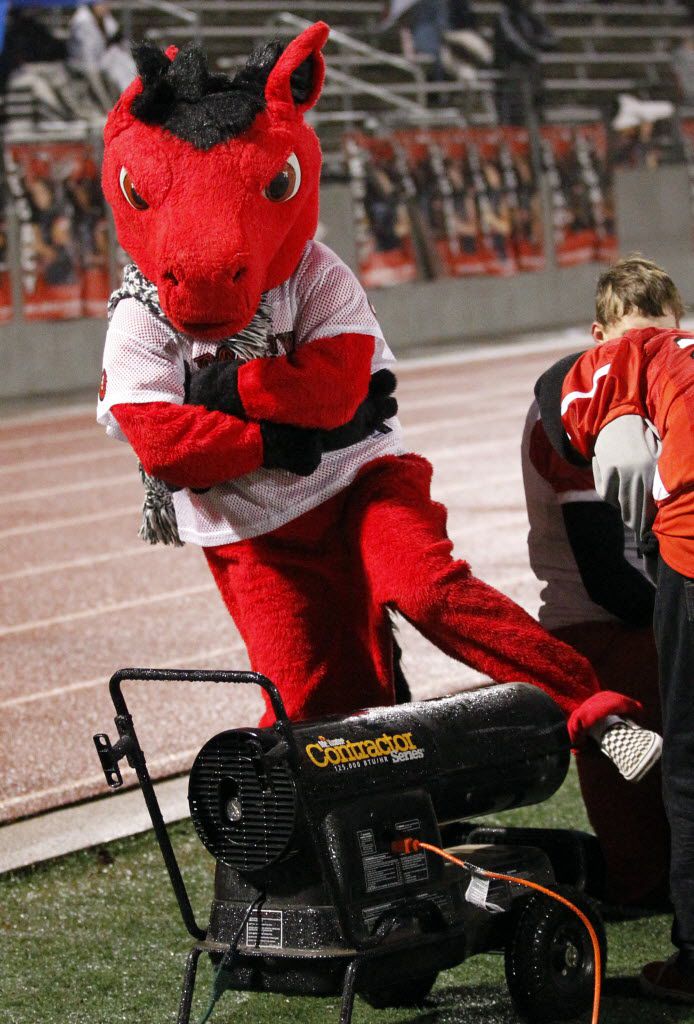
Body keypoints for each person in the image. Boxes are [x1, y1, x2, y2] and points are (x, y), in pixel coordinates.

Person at [534, 255, 694, 1002]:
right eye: (630, 340)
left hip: (661, 598)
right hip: (602, 625)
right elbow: (606, 573)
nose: (643, 351)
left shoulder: (638, 371)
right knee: (642, 864)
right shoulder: (585, 397)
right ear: (599, 337)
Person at [521, 400, 669, 907]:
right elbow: (609, 579)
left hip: (632, 621)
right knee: (649, 873)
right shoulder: (571, 404)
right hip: (612, 631)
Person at [492, 0, 555, 125]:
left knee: (537, 99)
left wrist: (535, 44)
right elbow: (515, 44)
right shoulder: (504, 18)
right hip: (511, 69)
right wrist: (534, 47)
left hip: (531, 68)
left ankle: (538, 123)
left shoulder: (529, 17)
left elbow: (551, 39)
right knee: (517, 106)